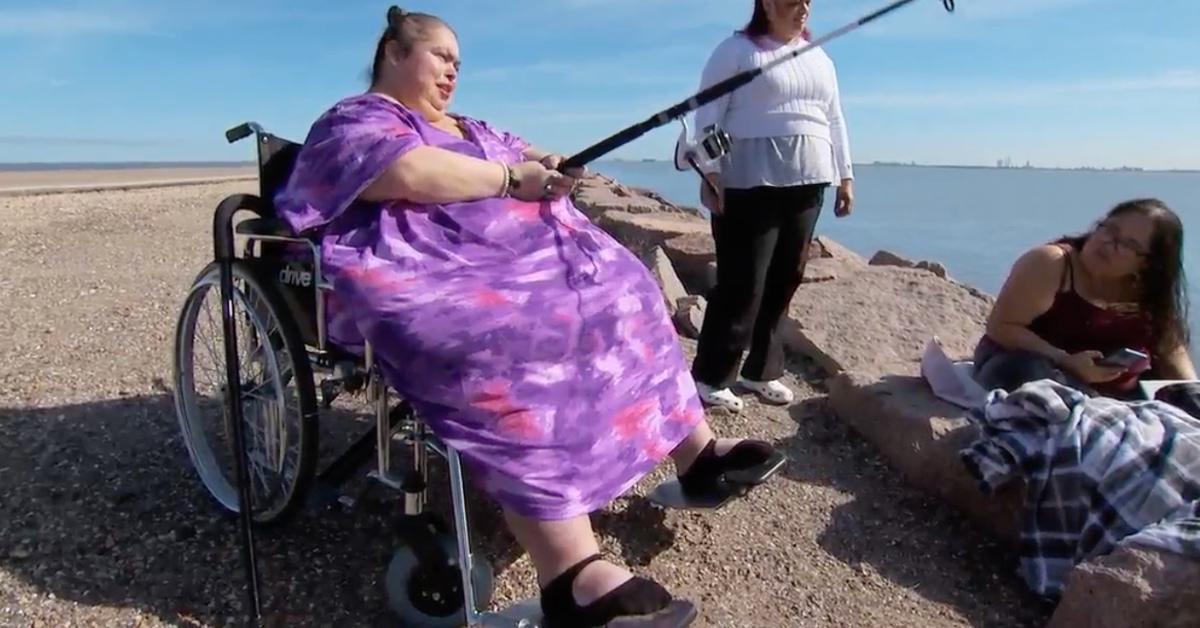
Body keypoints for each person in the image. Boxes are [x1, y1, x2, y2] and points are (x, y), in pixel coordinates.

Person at [273, 7, 783, 626]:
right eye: (440, 56)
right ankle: (570, 574)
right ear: (393, 52)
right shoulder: (357, 120)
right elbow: (404, 172)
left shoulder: (471, 126)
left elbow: (532, 157)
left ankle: (695, 456)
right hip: (430, 273)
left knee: (624, 291)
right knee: (514, 331)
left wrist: (558, 170)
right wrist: (514, 178)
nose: (453, 72)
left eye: (459, 63)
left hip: (512, 261)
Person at [688, 0, 855, 413]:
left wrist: (845, 175)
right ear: (767, 3)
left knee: (787, 276)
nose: (803, 9)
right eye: (792, 1)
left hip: (809, 177)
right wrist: (711, 172)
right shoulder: (736, 51)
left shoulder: (821, 57)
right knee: (743, 279)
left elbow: (834, 118)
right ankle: (711, 376)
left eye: (807, 2)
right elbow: (707, 113)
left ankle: (761, 370)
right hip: (748, 176)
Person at [972, 198, 1196, 399]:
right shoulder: (1052, 264)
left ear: (1147, 262)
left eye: (1128, 245)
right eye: (1109, 229)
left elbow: (1171, 349)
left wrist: (1191, 391)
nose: (1109, 243)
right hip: (1035, 367)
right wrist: (1064, 360)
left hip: (1115, 394)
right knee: (1030, 374)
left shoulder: (1147, 290)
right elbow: (1001, 327)